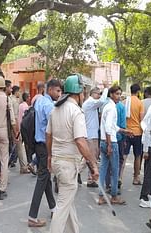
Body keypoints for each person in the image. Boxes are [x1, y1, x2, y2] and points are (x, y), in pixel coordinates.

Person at [48, 75, 99, 233]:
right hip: (68, 164)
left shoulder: (56, 108)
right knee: (63, 206)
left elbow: (48, 136)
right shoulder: (76, 112)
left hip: (58, 161)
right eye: (83, 92)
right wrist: (93, 164)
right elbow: (81, 141)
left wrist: (50, 156)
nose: (84, 95)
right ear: (78, 93)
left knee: (67, 202)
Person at [27, 79, 61, 227]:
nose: (59, 94)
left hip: (38, 144)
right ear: (51, 90)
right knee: (42, 179)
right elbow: (53, 129)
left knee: (45, 178)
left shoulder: (39, 101)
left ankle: (53, 208)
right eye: (58, 91)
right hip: (45, 146)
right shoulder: (49, 106)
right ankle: (32, 217)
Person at [98, 85, 130, 205]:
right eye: (117, 94)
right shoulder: (111, 107)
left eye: (120, 94)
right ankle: (114, 196)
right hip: (110, 142)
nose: (119, 97)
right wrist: (110, 144)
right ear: (111, 94)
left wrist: (123, 130)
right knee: (115, 170)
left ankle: (101, 196)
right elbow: (108, 128)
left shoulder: (107, 106)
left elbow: (111, 126)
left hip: (104, 141)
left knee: (103, 169)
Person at [81, 86, 108, 187]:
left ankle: (89, 177)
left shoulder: (91, 104)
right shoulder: (90, 102)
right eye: (98, 93)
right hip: (90, 135)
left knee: (91, 157)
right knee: (90, 158)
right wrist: (105, 89)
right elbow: (102, 101)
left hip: (92, 134)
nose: (99, 95)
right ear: (93, 93)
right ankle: (87, 177)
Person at [122, 83, 144, 185]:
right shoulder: (140, 103)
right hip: (137, 133)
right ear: (138, 92)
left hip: (126, 132)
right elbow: (141, 119)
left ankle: (119, 177)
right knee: (137, 155)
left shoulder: (125, 102)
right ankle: (136, 177)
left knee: (124, 155)